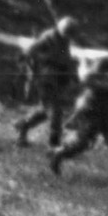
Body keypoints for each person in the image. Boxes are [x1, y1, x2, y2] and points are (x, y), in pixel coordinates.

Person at [51, 34, 108, 193]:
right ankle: (58, 154)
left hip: (107, 110)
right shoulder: (103, 62)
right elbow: (86, 79)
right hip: (91, 107)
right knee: (82, 143)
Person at [16, 16, 82, 149]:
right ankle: (54, 145)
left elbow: (64, 57)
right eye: (68, 34)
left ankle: (23, 125)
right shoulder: (48, 37)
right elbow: (28, 52)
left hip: (57, 79)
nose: (69, 38)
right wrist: (28, 70)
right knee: (55, 112)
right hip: (45, 80)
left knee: (46, 110)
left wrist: (72, 69)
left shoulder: (64, 40)